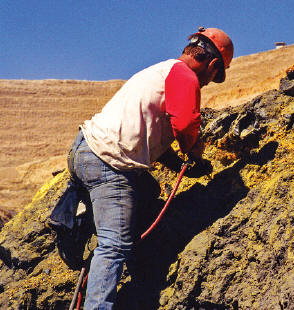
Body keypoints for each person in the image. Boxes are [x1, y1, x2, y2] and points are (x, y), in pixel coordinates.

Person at [66, 27, 233, 309]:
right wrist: (193, 152)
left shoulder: (160, 72)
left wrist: (179, 164)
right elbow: (184, 123)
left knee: (147, 189)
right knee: (114, 246)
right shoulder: (185, 76)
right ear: (213, 65)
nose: (206, 84)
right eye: (213, 77)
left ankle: (123, 248)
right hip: (110, 163)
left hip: (85, 151)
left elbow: (155, 137)